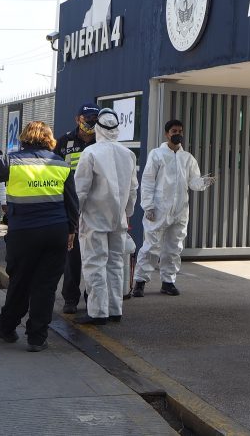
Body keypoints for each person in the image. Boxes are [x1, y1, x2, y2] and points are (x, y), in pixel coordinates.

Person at [0, 121, 70, 352]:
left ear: (24, 137)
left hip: (25, 232)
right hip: (56, 231)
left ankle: (6, 326)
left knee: (20, 281)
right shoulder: (61, 165)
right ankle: (37, 337)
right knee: (46, 286)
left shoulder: (12, 161)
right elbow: (71, 202)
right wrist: (71, 231)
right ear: (48, 138)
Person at [133, 119, 215, 297]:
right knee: (151, 246)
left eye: (180, 130)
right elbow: (147, 181)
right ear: (166, 134)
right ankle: (140, 282)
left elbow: (193, 182)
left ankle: (168, 282)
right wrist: (148, 206)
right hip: (158, 209)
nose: (177, 133)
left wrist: (203, 182)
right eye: (174, 131)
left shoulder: (188, 158)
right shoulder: (157, 154)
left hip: (180, 211)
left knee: (174, 247)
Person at [73, 109, 138, 324]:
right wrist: (127, 214)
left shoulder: (90, 153)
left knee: (95, 265)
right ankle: (115, 309)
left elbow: (80, 190)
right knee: (115, 264)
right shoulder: (128, 154)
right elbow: (133, 190)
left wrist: (74, 218)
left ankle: (98, 312)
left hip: (94, 219)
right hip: (118, 220)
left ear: (98, 128)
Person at [54, 104, 100, 314]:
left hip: (96, 205)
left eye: (94, 118)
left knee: (94, 255)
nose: (91, 122)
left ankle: (92, 295)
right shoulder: (64, 141)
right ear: (78, 119)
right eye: (87, 117)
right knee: (72, 255)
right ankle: (70, 298)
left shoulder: (103, 141)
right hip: (69, 204)